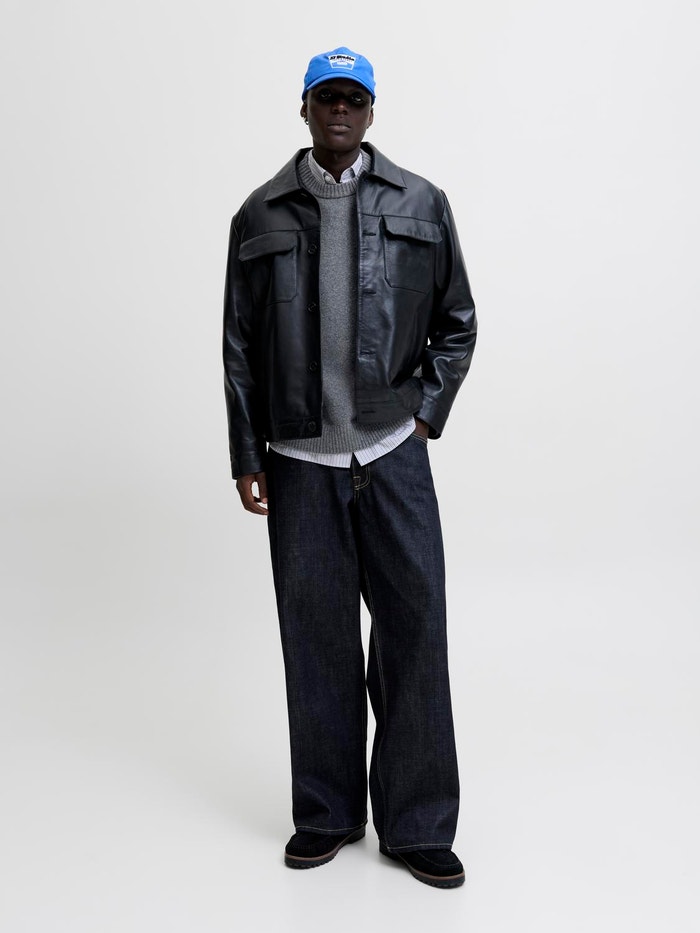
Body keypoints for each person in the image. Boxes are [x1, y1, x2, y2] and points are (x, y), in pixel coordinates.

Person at [222, 46, 477, 889]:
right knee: (317, 641)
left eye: (353, 99)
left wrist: (422, 415)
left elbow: (458, 321)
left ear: (371, 112)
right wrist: (247, 452)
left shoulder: (421, 202)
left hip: (392, 455)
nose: (340, 110)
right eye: (326, 97)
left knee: (414, 635)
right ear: (303, 108)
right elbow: (237, 347)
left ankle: (417, 823)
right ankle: (327, 813)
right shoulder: (259, 213)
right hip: (299, 462)